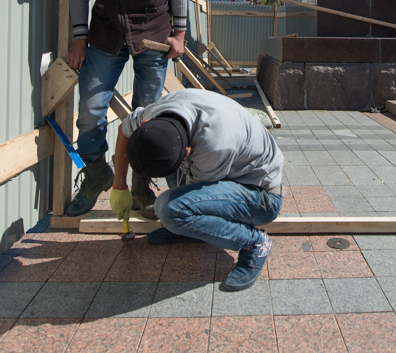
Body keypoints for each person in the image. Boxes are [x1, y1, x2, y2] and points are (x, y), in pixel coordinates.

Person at [64, 0, 187, 217]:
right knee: (89, 112)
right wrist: (79, 37)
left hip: (153, 31)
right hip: (107, 31)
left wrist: (180, 33)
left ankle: (140, 187)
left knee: (147, 116)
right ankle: (96, 174)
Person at [109, 90, 284, 292]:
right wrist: (119, 186)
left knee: (170, 209)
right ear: (146, 123)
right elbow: (124, 129)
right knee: (174, 205)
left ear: (186, 153)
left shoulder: (214, 145)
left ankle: (254, 243)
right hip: (222, 168)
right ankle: (192, 231)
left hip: (260, 195)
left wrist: (179, 219)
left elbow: (190, 196)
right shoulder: (159, 110)